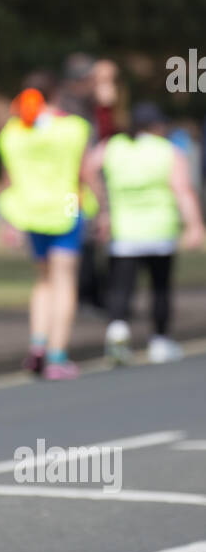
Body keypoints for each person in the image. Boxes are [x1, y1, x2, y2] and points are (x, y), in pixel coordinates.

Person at [83, 102, 205, 364]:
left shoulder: (113, 146)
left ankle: (117, 333)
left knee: (120, 288)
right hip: (159, 230)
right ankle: (160, 341)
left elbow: (88, 169)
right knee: (160, 287)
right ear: (157, 126)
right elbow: (183, 190)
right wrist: (195, 225)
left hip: (125, 231)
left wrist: (101, 203)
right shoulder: (168, 150)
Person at [0, 73, 95, 380]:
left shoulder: (12, 131)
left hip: (29, 212)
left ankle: (37, 345)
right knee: (64, 281)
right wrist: (101, 210)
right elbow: (86, 172)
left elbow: (7, 178)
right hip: (66, 210)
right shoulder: (73, 127)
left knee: (43, 281)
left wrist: (10, 220)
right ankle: (56, 357)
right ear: (55, 94)